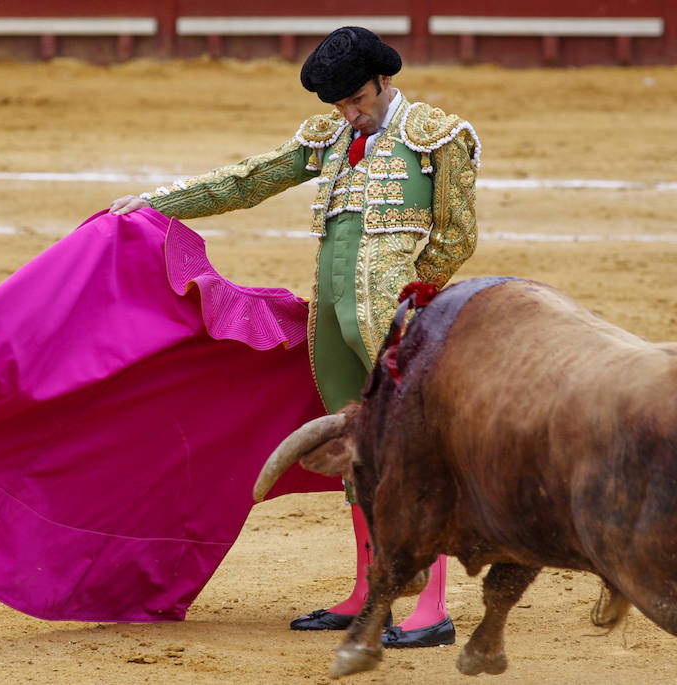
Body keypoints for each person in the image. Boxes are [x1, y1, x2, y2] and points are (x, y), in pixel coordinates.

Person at [110, 26, 480, 648]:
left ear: (383, 80)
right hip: (332, 322)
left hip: (393, 321)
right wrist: (155, 204)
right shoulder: (331, 137)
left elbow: (458, 233)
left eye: (355, 99)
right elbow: (249, 180)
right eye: (337, 104)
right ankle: (370, 592)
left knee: (413, 452)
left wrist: (417, 301)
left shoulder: (437, 135)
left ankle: (432, 606)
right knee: (354, 447)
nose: (348, 113)